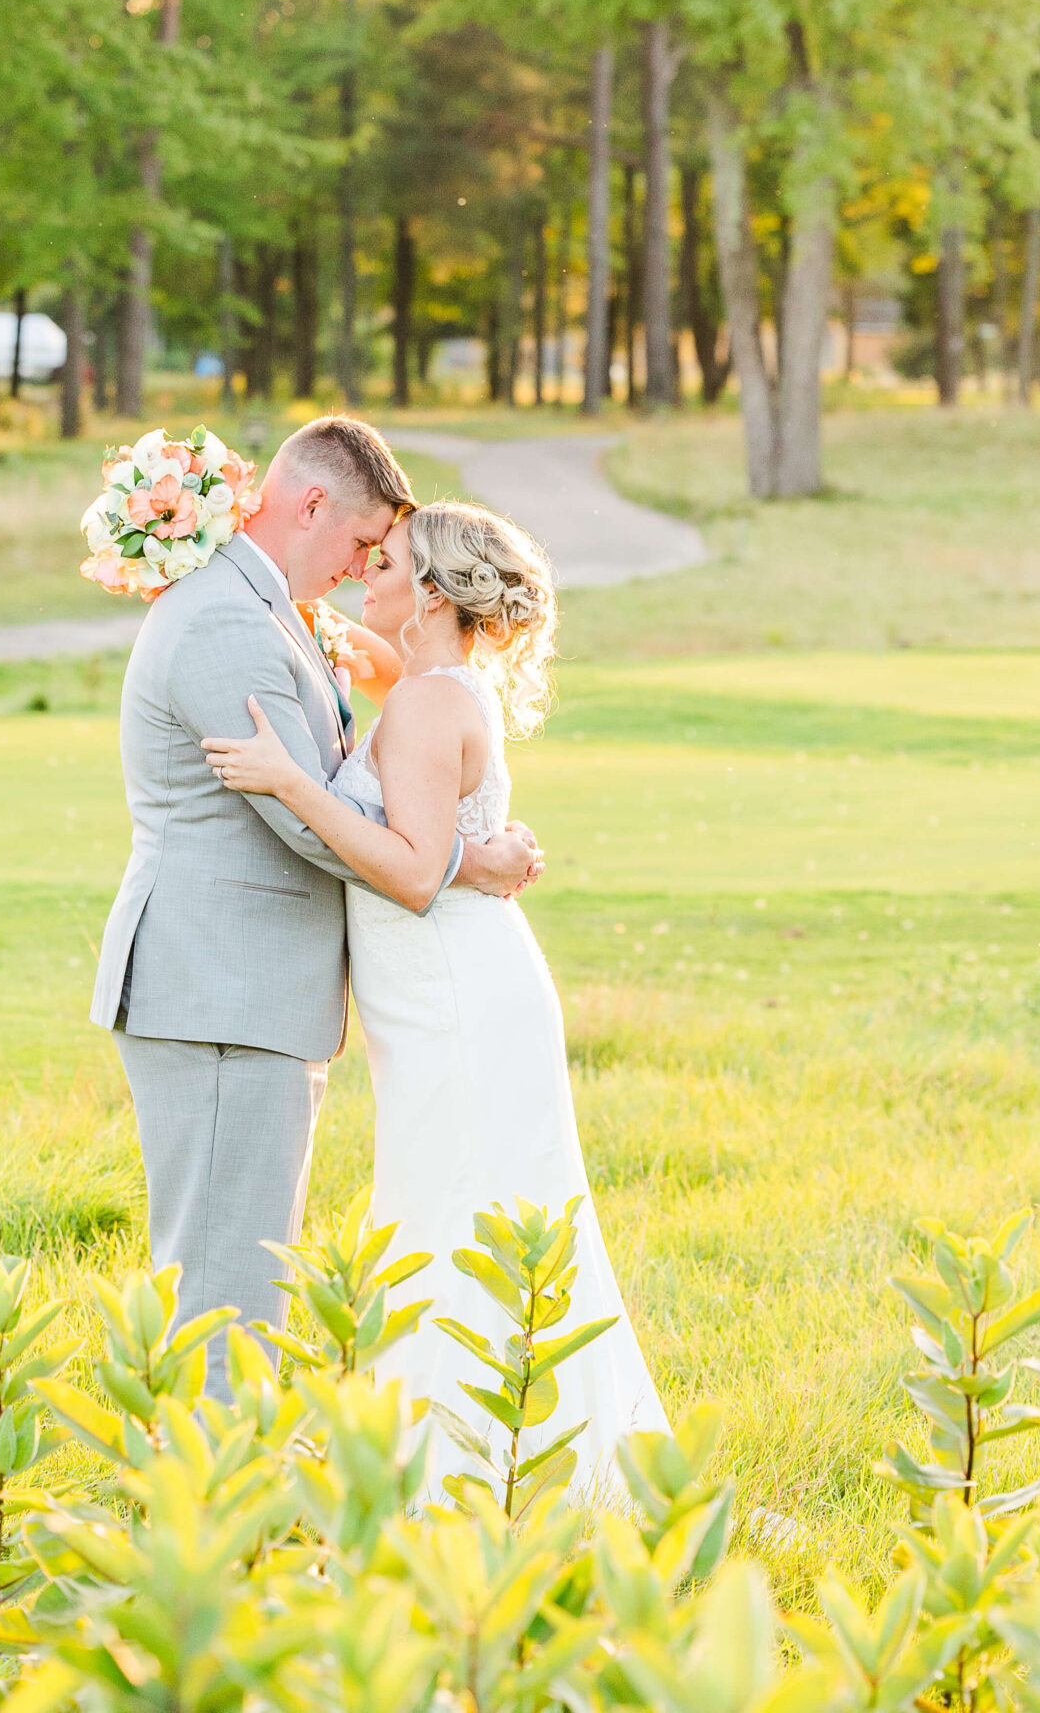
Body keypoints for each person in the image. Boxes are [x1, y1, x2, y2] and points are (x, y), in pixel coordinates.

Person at [202, 496, 667, 1494]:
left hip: (454, 997)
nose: (364, 573)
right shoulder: (433, 681)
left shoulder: (425, 704)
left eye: (385, 564)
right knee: (456, 1206)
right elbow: (366, 660)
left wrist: (290, 781)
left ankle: (465, 1472)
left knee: (456, 1213)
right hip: (446, 990)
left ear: (434, 593)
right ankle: (482, 1458)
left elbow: (412, 872)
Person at [89, 417, 543, 1396]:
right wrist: (470, 859)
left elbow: (381, 738)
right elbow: (303, 817)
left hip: (249, 991)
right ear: (310, 506)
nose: (359, 568)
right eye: (362, 542)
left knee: (237, 1273)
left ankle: (220, 1472)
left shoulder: (273, 612)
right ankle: (208, 1485)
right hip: (221, 989)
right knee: (224, 1285)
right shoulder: (223, 620)